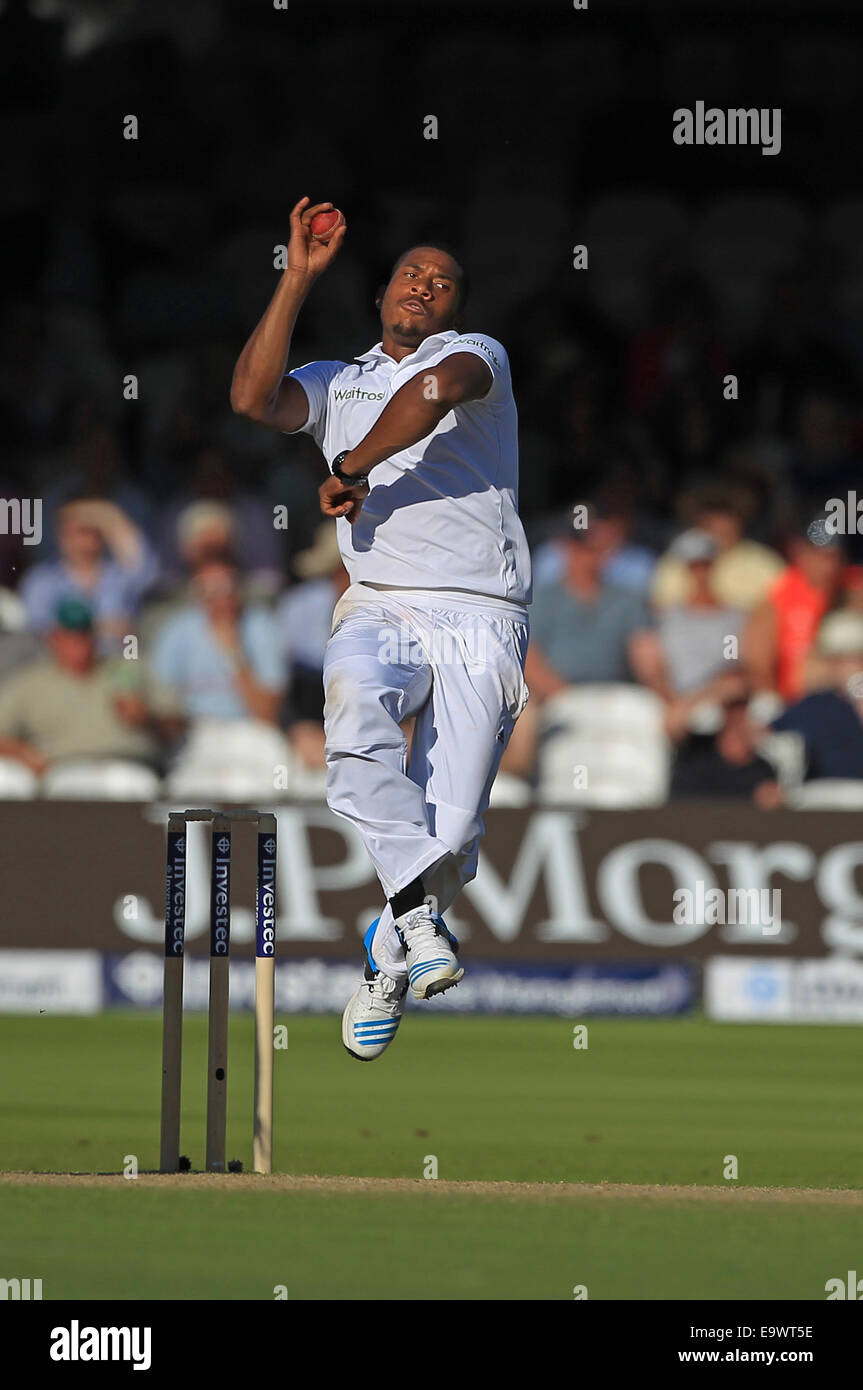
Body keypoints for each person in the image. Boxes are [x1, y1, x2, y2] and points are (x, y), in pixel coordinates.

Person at [232, 197, 531, 1060]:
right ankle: (412, 925)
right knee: (357, 722)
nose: (423, 286)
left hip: (483, 612)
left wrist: (351, 464)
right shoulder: (337, 378)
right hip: (381, 599)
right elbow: (253, 398)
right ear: (381, 294)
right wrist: (297, 276)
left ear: (455, 308)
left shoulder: (475, 356)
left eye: (441, 282)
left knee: (453, 840)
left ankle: (391, 952)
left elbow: (434, 396)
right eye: (410, 273)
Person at [0, 598, 163, 778]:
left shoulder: (125, 669)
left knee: (132, 783)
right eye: (70, 636)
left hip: (131, 767)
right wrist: (22, 753)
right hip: (63, 770)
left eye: (84, 635)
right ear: (54, 638)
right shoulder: (31, 682)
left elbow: (176, 722)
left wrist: (148, 717)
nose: (79, 645)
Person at [18, 497, 158, 650]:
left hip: (117, 664)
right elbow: (41, 632)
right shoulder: (41, 580)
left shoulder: (120, 574)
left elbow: (148, 571)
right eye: (81, 531)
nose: (88, 539)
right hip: (59, 669)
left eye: (95, 530)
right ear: (62, 536)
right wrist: (103, 627)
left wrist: (111, 517)